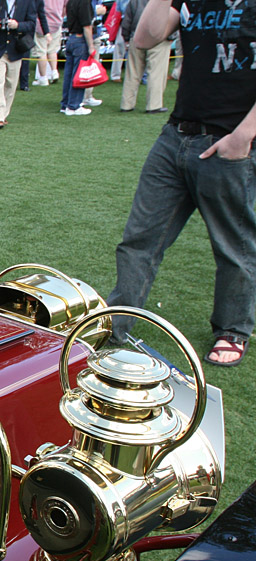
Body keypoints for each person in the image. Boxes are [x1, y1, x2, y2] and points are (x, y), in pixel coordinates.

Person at [106, 0, 256, 367]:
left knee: (234, 246)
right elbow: (144, 37)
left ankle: (233, 329)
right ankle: (116, 322)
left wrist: (244, 136)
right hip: (176, 134)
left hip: (231, 140)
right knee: (139, 239)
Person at [0, 0, 36, 128]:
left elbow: (32, 24)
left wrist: (18, 25)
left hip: (15, 50)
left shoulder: (26, 3)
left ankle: (4, 113)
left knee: (11, 84)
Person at [118, 0, 172, 113]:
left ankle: (126, 104)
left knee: (132, 72)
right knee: (156, 72)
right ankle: (154, 105)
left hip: (136, 36)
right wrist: (171, 35)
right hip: (159, 38)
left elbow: (127, 20)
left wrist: (127, 38)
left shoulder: (134, 1)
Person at [60, 0, 95, 115]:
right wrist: (91, 46)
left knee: (69, 75)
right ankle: (74, 105)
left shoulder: (71, 2)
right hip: (80, 40)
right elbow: (87, 26)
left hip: (71, 39)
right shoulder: (84, 3)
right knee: (79, 74)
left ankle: (65, 104)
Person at [32, 0, 62, 85]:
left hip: (41, 23)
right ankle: (54, 72)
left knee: (41, 51)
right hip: (56, 21)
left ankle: (43, 77)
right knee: (52, 50)